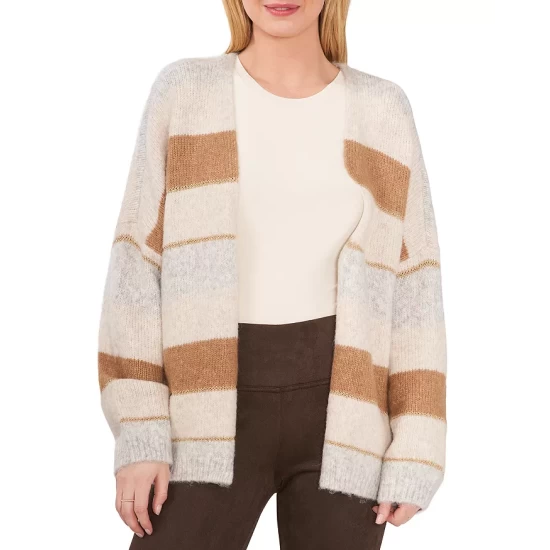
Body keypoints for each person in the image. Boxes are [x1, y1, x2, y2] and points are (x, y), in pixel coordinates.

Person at [98, 1, 447, 548]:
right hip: (202, 408)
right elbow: (137, 263)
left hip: (346, 414)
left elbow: (415, 283)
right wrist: (140, 430)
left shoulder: (383, 109)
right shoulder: (185, 93)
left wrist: (418, 440)